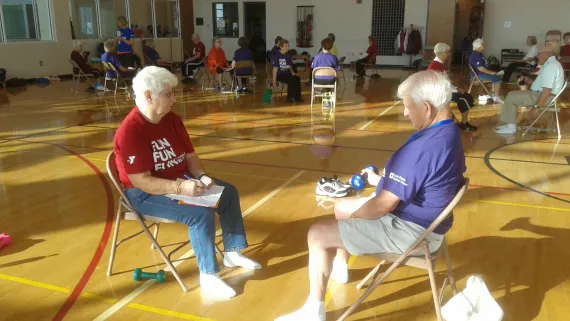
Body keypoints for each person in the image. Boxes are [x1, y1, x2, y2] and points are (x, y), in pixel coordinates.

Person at [274, 70, 466, 321]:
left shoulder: (424, 148)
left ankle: (314, 312)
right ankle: (340, 269)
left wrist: (357, 216)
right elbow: (422, 180)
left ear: (427, 107)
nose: (405, 112)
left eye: (408, 107)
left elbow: (382, 206)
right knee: (341, 207)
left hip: (413, 232)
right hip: (429, 223)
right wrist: (383, 181)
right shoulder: (449, 131)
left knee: (317, 234)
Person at [114, 66, 261, 299]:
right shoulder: (131, 131)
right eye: (167, 94)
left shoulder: (171, 120)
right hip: (143, 194)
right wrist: (181, 188)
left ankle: (232, 252)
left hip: (178, 181)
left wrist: (201, 176)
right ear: (148, 96)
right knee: (200, 214)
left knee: (228, 194)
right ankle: (208, 276)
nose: (174, 98)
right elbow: (141, 181)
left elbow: (190, 157)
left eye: (173, 93)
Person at [495, 42, 565, 134]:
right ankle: (510, 124)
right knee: (511, 94)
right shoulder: (551, 64)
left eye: (539, 54)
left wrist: (536, 108)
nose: (537, 57)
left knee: (511, 96)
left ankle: (511, 126)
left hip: (546, 97)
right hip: (542, 95)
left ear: (547, 54)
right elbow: (544, 85)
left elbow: (547, 90)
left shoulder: (551, 66)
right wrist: (530, 81)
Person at [429, 43, 477, 131]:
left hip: (444, 90)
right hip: (440, 93)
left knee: (468, 96)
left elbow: (445, 82)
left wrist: (456, 88)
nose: (448, 54)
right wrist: (455, 90)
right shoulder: (435, 66)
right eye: (447, 52)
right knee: (464, 99)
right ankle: (464, 123)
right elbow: (441, 84)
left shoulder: (438, 64)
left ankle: (464, 122)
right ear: (442, 53)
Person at [469, 38, 503, 103]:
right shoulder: (476, 55)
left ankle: (487, 95)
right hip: (477, 74)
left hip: (479, 73)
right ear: (479, 46)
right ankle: (496, 97)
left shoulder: (479, 54)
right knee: (498, 79)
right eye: (483, 45)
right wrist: (492, 73)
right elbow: (481, 69)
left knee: (496, 75)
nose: (484, 46)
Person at [272, 39, 303, 103]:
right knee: (291, 79)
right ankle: (290, 98)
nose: (287, 48)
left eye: (288, 46)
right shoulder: (276, 55)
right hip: (279, 74)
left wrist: (292, 73)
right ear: (281, 47)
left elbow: (290, 66)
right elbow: (275, 69)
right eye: (285, 46)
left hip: (287, 73)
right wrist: (274, 81)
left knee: (297, 78)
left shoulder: (288, 56)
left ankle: (298, 97)